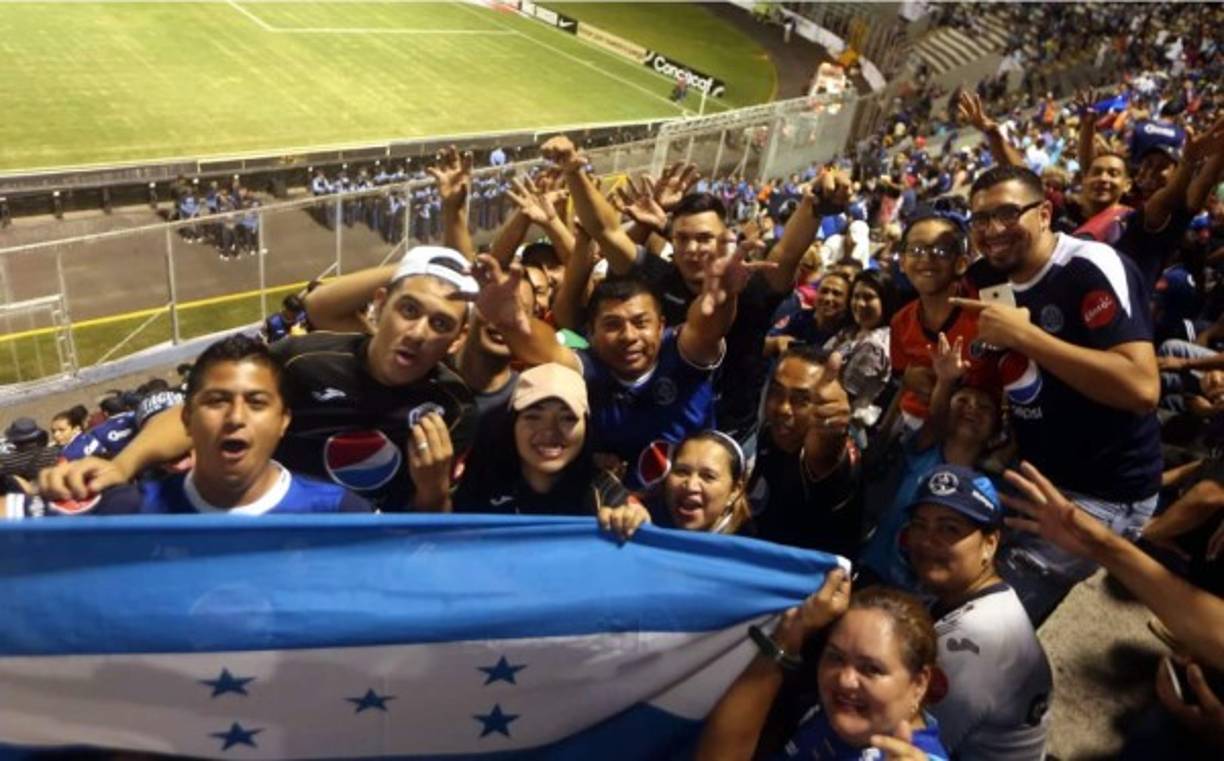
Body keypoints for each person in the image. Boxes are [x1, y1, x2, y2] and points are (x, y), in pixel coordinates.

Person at [39, 247, 479, 513]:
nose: (419, 333)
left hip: (363, 555)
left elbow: (430, 522)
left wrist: (433, 490)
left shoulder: (454, 408)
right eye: (409, 310)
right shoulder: (304, 360)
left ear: (457, 339)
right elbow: (203, 413)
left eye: (441, 324)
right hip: (271, 527)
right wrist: (121, 466)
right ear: (380, 305)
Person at [957, 164, 1162, 623]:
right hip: (1033, 470)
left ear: (1045, 213)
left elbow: (1142, 388)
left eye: (1008, 214)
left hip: (1102, 492)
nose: (991, 231)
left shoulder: (1089, 267)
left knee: (984, 620)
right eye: (980, 219)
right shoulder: (987, 276)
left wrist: (1028, 337)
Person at [472, 228, 766, 488]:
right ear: (591, 332)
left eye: (641, 323)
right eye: (612, 325)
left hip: (688, 512)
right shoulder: (587, 368)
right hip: (614, 517)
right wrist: (512, 323)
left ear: (662, 326)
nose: (628, 336)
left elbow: (706, 328)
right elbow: (546, 349)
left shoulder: (680, 352)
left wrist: (724, 295)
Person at [13, 335, 371, 517]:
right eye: (217, 401)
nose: (235, 417)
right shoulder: (129, 509)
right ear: (187, 418)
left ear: (284, 421)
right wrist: (43, 493)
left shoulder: (341, 512)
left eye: (257, 403)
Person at [696, 574, 950, 760]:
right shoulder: (836, 715)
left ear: (919, 683)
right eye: (835, 658)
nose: (845, 679)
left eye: (871, 668)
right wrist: (786, 639)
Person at [903, 465, 1052, 761]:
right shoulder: (970, 593)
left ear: (990, 544)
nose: (926, 540)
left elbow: (905, 742)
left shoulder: (971, 649)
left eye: (949, 529)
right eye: (920, 525)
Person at [860, 334, 1003, 592]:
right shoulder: (924, 451)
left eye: (984, 408)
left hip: (926, 597)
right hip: (874, 574)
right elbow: (935, 418)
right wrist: (946, 380)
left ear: (994, 431)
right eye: (962, 402)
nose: (971, 408)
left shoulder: (991, 487)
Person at [453, 362, 647, 539]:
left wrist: (632, 519)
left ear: (587, 428)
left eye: (567, 418)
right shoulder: (481, 477)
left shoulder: (600, 488)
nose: (550, 431)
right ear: (513, 423)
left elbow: (639, 518)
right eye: (533, 416)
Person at [748, 345, 860, 556]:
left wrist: (831, 428)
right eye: (777, 392)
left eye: (802, 400)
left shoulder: (832, 458)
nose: (783, 408)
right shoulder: (769, 433)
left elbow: (823, 455)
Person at [890, 209, 994, 429]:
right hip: (913, 425)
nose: (926, 259)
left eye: (941, 250)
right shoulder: (900, 322)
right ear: (901, 262)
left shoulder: (987, 314)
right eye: (916, 250)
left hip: (971, 433)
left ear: (962, 262)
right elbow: (903, 379)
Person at [646, 430, 752, 535]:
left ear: (735, 491)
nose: (691, 486)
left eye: (708, 476)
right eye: (682, 472)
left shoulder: (752, 545)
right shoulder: (644, 519)